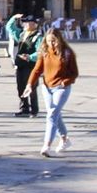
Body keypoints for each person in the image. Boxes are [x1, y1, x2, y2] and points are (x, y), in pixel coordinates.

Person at [27, 28, 78, 156]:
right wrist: (29, 85)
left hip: (61, 88)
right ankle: (65, 139)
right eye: (49, 41)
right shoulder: (44, 52)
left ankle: (46, 145)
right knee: (55, 113)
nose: (51, 44)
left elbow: (74, 73)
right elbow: (37, 70)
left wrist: (64, 82)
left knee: (52, 114)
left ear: (59, 39)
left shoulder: (67, 53)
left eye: (54, 41)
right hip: (47, 87)